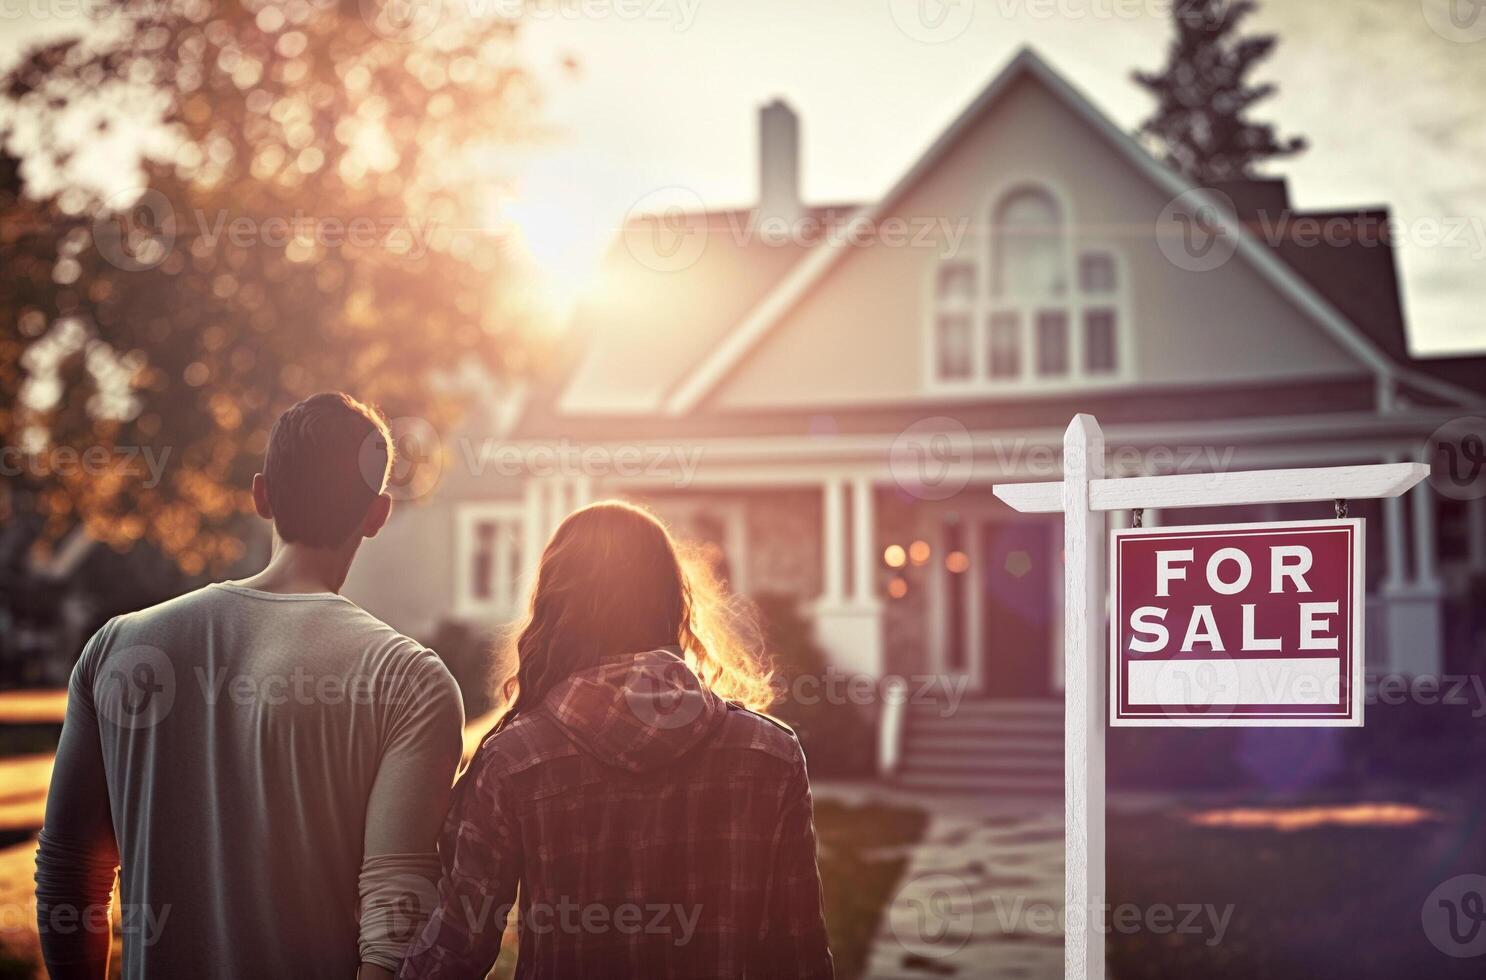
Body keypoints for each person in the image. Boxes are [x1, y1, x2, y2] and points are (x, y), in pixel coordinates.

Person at [35, 392, 465, 980]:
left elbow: (69, 874)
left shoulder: (119, 647)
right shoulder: (409, 681)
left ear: (261, 494)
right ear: (377, 515)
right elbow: (396, 916)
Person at [398, 501, 834, 979]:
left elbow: (456, 949)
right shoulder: (769, 754)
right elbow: (801, 956)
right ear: (673, 602)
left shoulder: (517, 758)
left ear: (555, 610)